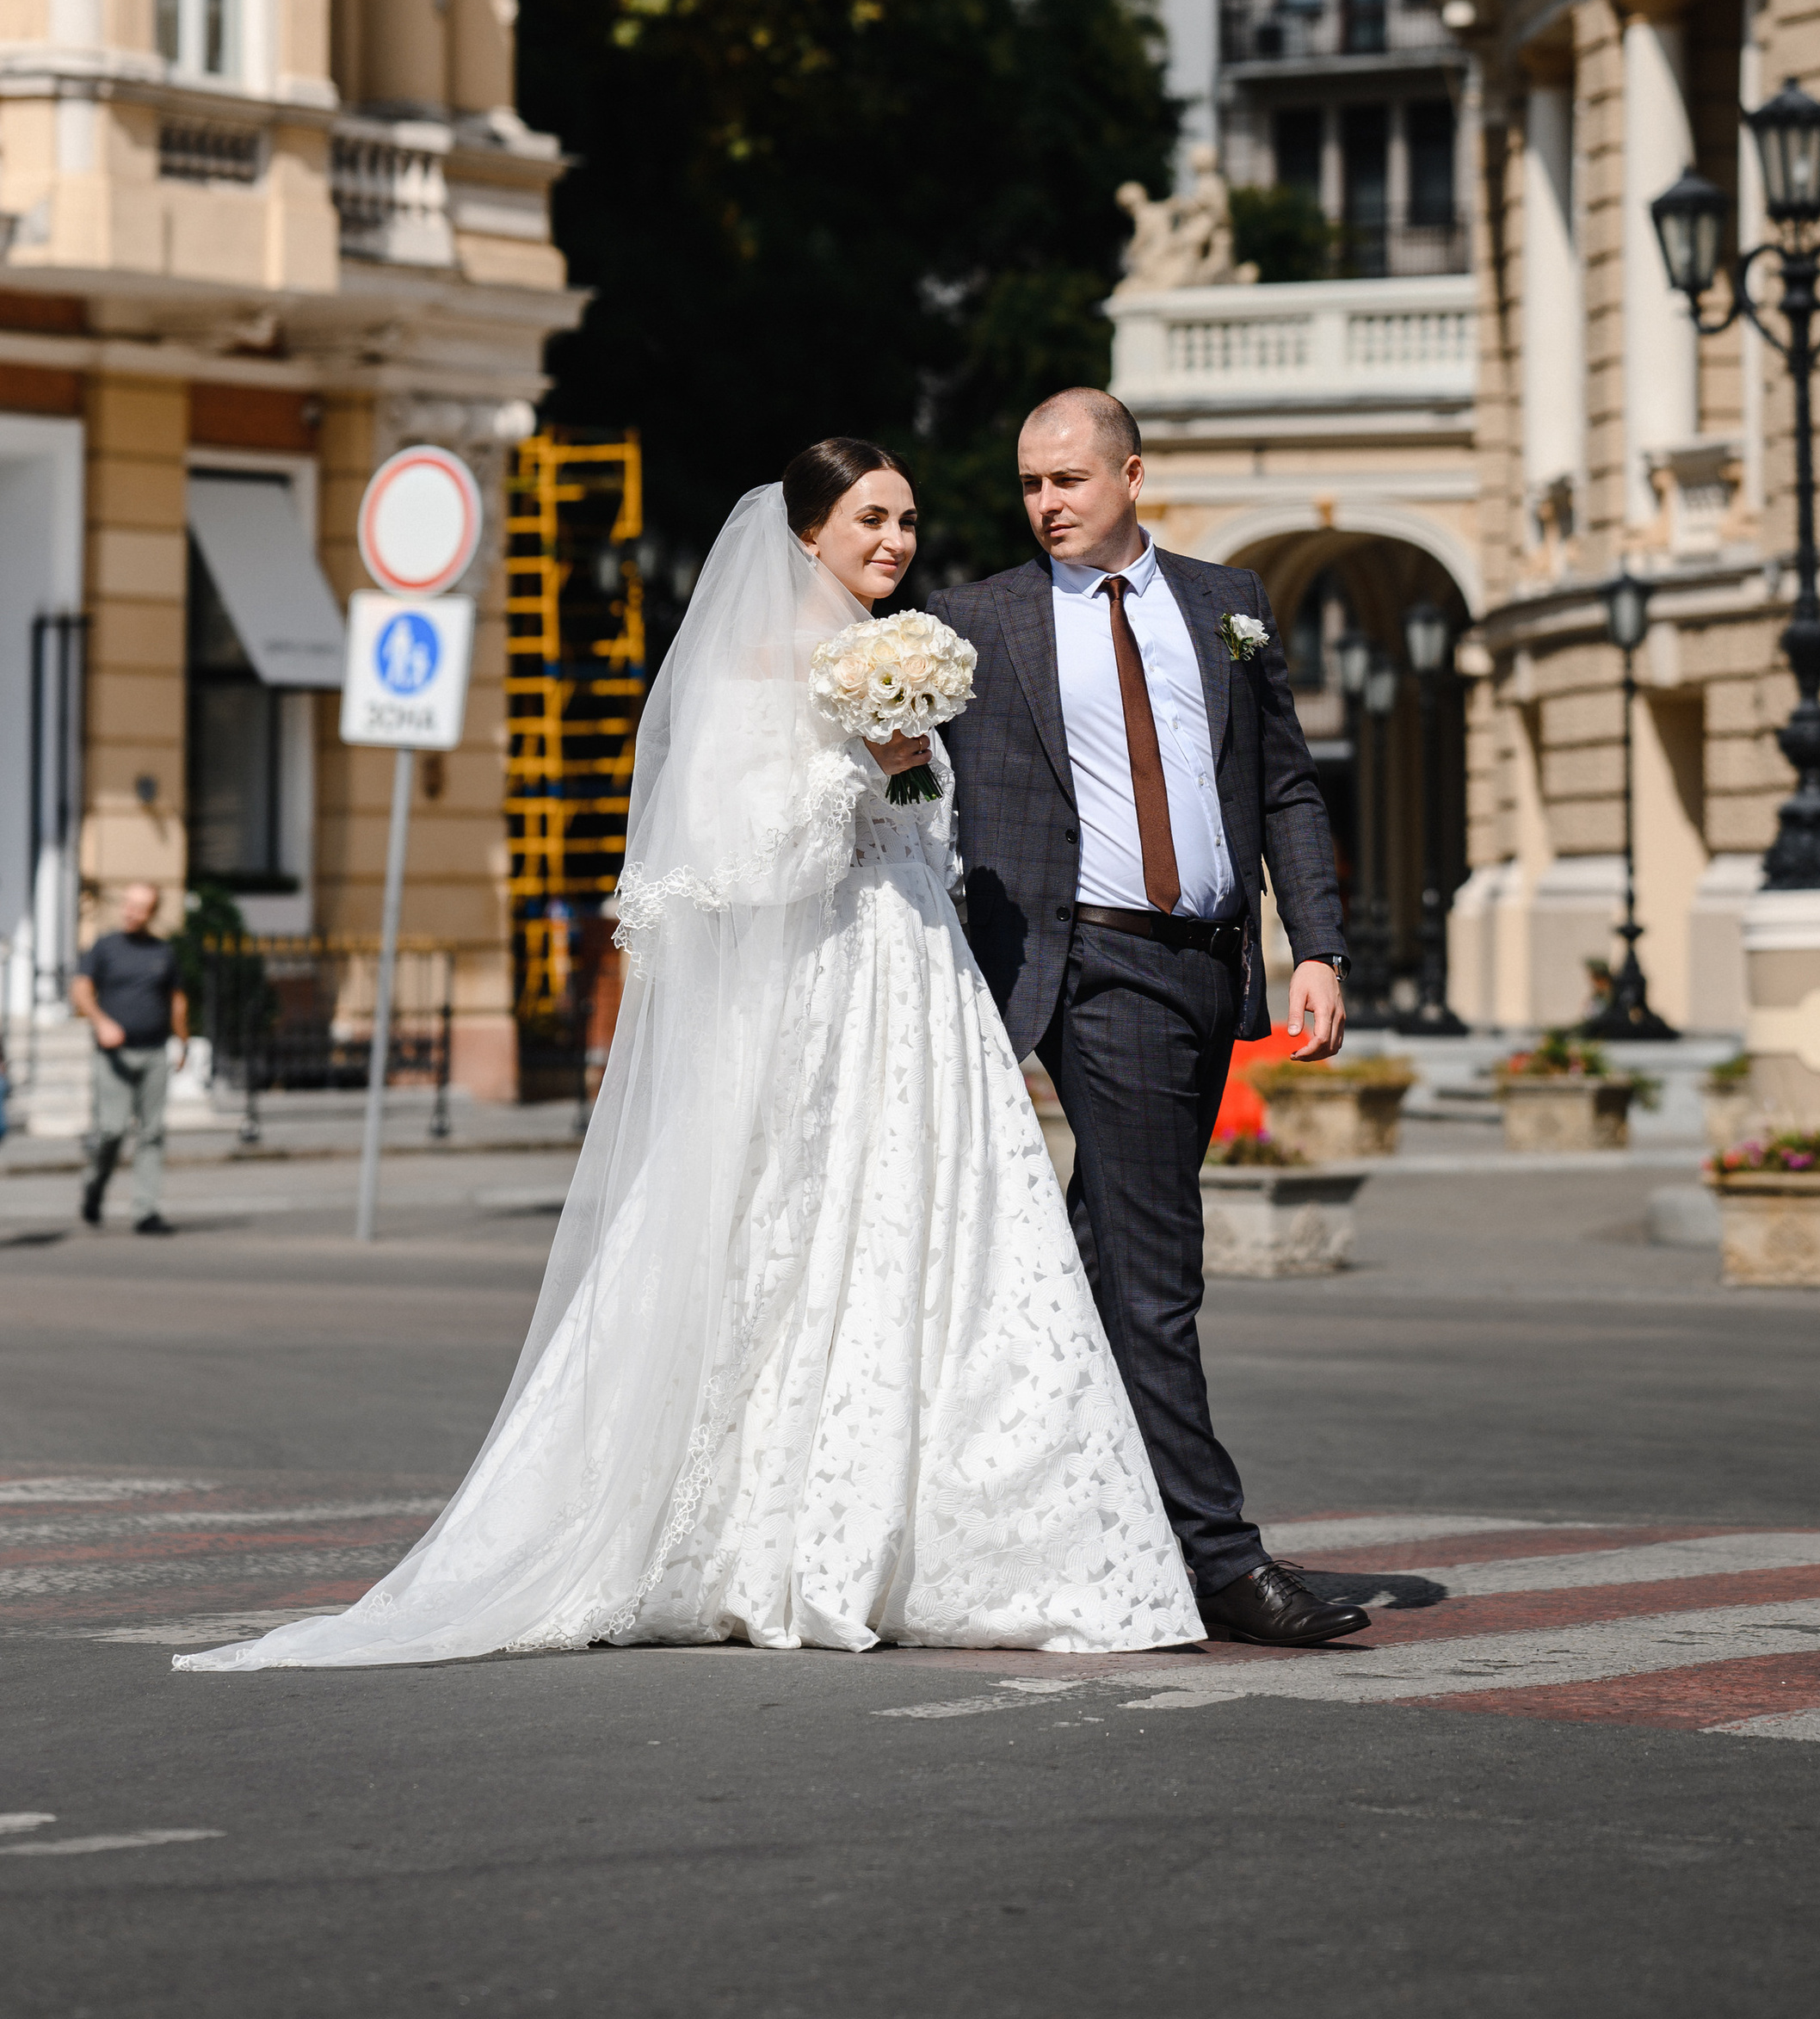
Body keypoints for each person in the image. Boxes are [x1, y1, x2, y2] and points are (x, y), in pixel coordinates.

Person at [180, 441, 1200, 1675]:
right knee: (779, 1238)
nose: (894, 540)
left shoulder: (902, 649)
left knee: (941, 1242)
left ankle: (959, 1534)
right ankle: (743, 1530)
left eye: (909, 519)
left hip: (913, 980)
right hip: (813, 984)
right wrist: (861, 764)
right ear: (808, 532)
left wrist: (904, 766)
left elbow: (929, 844)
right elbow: (738, 856)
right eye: (871, 518)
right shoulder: (749, 665)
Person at [929, 386, 1369, 1650]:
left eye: (1068, 478)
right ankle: (1221, 1554)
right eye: (1030, 483)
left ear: (1133, 473)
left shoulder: (1228, 602)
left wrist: (1318, 946)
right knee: (1160, 1268)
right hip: (1091, 966)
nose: (1047, 502)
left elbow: (1283, 781)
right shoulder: (979, 619)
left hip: (1210, 964)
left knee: (1103, 1263)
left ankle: (1052, 1514)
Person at [73, 882, 188, 1237]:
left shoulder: (163, 952)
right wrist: (101, 1021)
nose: (132, 912)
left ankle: (146, 1211)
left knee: (152, 1132)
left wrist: (182, 1042)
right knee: (112, 1129)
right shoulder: (106, 947)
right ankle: (94, 1186)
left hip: (154, 1050)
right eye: (129, 904)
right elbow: (80, 988)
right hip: (113, 1055)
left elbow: (177, 999)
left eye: (141, 907)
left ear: (152, 912)